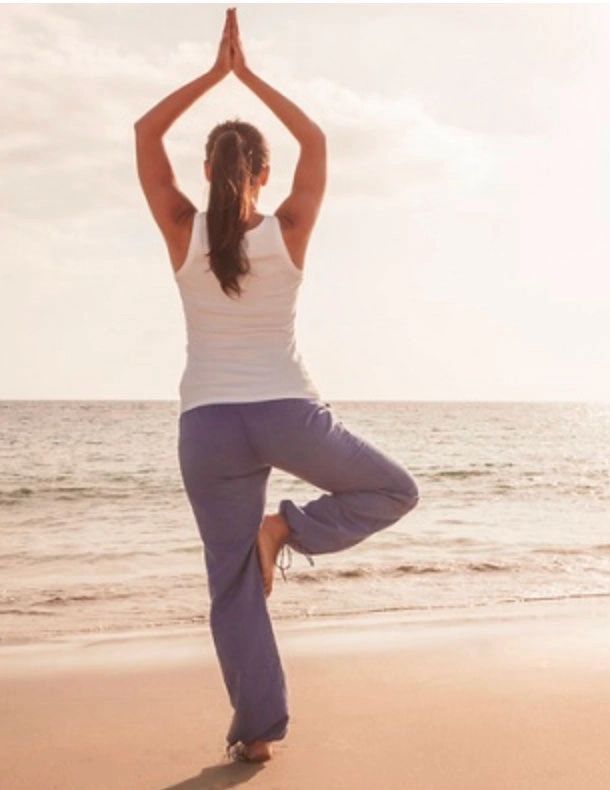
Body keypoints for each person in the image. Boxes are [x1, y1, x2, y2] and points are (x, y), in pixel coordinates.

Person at [133, 8, 420, 765]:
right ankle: (285, 529)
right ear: (263, 174)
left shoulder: (180, 228)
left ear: (207, 172)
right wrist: (249, 75)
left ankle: (258, 732)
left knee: (232, 588)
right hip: (288, 413)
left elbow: (142, 134)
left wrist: (212, 76)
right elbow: (318, 142)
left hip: (208, 427)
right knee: (394, 491)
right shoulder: (288, 226)